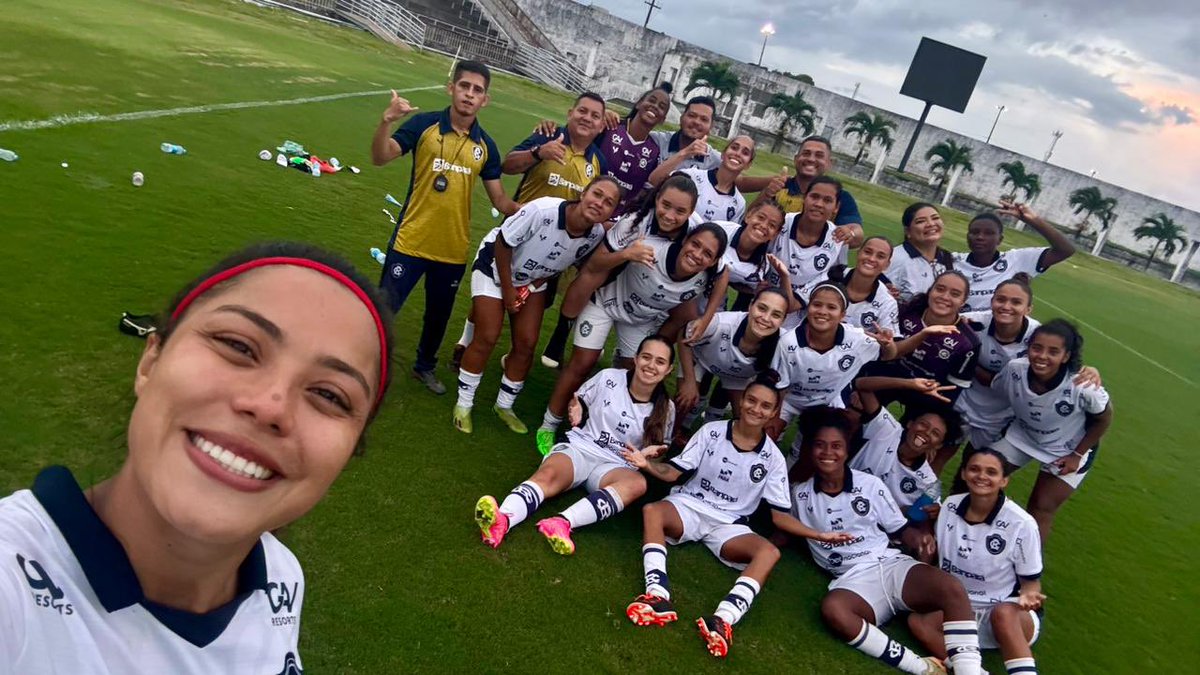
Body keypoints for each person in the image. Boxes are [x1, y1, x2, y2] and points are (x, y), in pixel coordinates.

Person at [0, 243, 394, 672]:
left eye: (328, 395)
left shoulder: (281, 578)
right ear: (151, 361)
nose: (270, 406)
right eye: (239, 346)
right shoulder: (13, 592)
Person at [620, 378, 852, 658]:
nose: (756, 409)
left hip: (729, 525)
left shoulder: (774, 459)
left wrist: (819, 535)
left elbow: (779, 516)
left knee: (769, 552)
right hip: (691, 506)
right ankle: (658, 595)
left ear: (774, 413)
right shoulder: (711, 432)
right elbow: (675, 472)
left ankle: (723, 619)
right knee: (652, 511)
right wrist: (647, 465)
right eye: (752, 400)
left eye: (766, 406)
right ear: (741, 400)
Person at [791, 409, 985, 675]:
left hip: (890, 562)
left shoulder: (870, 484)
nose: (828, 453)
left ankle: (970, 672)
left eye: (836, 446)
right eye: (820, 445)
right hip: (853, 578)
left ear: (847, 450)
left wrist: (920, 539)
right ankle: (922, 668)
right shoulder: (799, 495)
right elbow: (784, 527)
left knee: (950, 587)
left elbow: (903, 528)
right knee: (835, 610)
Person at [371, 60, 520, 394]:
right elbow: (380, 157)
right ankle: (365, 361)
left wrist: (535, 211)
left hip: (452, 248)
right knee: (384, 307)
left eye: (477, 90)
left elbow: (501, 201)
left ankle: (424, 367)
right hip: (410, 240)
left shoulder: (486, 147)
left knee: (437, 317)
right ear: (451, 88)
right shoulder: (424, 126)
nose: (469, 94)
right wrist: (386, 122)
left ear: (486, 100)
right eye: (464, 86)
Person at [536, 224, 730, 456]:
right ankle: (549, 424)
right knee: (582, 363)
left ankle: (603, 425)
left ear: (713, 261)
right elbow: (604, 254)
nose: (698, 254)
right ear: (685, 240)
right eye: (695, 244)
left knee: (635, 372)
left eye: (707, 253)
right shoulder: (652, 249)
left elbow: (724, 275)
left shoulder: (707, 274)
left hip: (640, 320)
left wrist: (706, 318)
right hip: (606, 303)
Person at [473, 336, 676, 554]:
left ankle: (562, 523)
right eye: (646, 357)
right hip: (582, 448)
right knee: (547, 476)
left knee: (638, 484)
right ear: (635, 359)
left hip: (615, 467)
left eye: (659, 361)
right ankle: (502, 519)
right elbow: (578, 400)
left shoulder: (667, 409)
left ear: (668, 370)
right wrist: (576, 407)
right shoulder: (608, 377)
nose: (651, 365)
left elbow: (657, 454)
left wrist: (645, 461)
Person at [453, 178, 621, 435]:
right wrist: (509, 290)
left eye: (609, 202)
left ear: (612, 212)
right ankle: (463, 404)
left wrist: (530, 287)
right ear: (583, 192)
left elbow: (559, 262)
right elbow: (503, 243)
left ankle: (504, 406)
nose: (600, 203)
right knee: (487, 335)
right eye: (597, 194)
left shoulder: (595, 235)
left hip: (531, 279)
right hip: (495, 266)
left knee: (527, 343)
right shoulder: (543, 210)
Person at [539, 174, 702, 369]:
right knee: (593, 274)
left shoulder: (696, 231)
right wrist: (627, 255)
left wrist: (707, 315)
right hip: (623, 261)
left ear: (691, 212)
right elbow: (595, 264)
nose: (669, 215)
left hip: (653, 282)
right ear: (657, 198)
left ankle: (651, 350)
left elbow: (721, 270)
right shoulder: (635, 221)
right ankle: (561, 333)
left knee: (688, 312)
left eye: (680, 211)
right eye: (665, 205)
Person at [907, 449, 1046, 675]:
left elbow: (1031, 582)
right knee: (918, 622)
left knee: (1002, 613)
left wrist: (1029, 596)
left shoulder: (1022, 523)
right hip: (959, 610)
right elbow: (937, 558)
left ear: (1004, 480)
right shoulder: (950, 507)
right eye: (974, 469)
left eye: (991, 472)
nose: (981, 476)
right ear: (963, 474)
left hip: (1007, 617)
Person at [988, 319, 1114, 541]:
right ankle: (966, 533)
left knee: (1041, 506)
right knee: (983, 473)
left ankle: (1027, 570)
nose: (1042, 356)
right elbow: (996, 387)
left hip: (1068, 449)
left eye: (1053, 351)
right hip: (1023, 435)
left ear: (1066, 356)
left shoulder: (1083, 385)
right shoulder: (1016, 368)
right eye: (1037, 348)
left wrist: (1076, 455)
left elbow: (1105, 418)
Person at [675, 287, 797, 423]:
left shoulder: (785, 343)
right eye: (762, 308)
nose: (766, 318)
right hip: (700, 361)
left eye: (776, 315)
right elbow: (685, 334)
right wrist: (690, 381)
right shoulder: (721, 323)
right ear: (751, 306)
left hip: (738, 377)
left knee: (747, 418)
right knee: (685, 400)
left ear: (783, 320)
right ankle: (673, 435)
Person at [850, 376, 960, 519]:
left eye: (935, 433)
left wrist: (932, 512)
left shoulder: (928, 482)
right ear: (910, 423)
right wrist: (909, 384)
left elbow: (919, 516)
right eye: (923, 425)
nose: (926, 433)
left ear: (938, 444)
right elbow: (862, 385)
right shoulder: (887, 429)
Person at [765, 176, 864, 329]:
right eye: (814, 197)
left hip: (798, 321)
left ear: (836, 207)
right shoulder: (782, 223)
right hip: (762, 303)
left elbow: (791, 305)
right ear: (805, 198)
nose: (818, 204)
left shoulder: (837, 241)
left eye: (827, 200)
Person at [953, 202, 1075, 312]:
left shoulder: (1016, 260)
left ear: (1000, 240)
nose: (980, 237)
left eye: (989, 233)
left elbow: (1065, 250)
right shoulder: (953, 261)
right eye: (974, 232)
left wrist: (1033, 220)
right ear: (967, 236)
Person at [503, 92, 609, 203]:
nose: (587, 118)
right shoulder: (548, 135)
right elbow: (507, 167)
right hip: (526, 219)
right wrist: (538, 153)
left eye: (595, 116)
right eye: (582, 111)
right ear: (570, 114)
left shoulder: (599, 162)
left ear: (601, 127)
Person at [741, 136, 865, 229]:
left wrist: (849, 233)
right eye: (806, 153)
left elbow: (856, 233)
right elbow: (748, 220)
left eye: (819, 156)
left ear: (829, 163)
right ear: (796, 159)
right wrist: (766, 194)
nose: (811, 159)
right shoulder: (779, 187)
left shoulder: (840, 197)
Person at [597, 83, 671, 215]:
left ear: (663, 119)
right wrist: (601, 114)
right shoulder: (610, 126)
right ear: (638, 104)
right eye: (651, 100)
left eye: (661, 107)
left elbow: (644, 191)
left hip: (616, 221)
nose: (654, 106)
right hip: (591, 203)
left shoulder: (654, 152)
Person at [800, 236, 899, 332]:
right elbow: (796, 302)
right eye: (867, 252)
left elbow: (892, 346)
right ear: (858, 253)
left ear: (887, 265)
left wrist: (887, 344)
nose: (872, 259)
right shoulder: (832, 275)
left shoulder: (887, 302)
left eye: (880, 256)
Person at [666, 135, 755, 224]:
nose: (737, 154)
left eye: (745, 153)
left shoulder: (739, 203)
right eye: (734, 148)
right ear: (723, 154)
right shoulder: (692, 176)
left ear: (748, 164)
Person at [889, 203, 955, 303]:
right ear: (908, 231)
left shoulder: (949, 259)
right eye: (921, 221)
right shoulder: (894, 258)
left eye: (935, 218)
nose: (931, 224)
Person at [648, 95, 723, 174]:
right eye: (692, 115)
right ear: (681, 117)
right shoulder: (656, 140)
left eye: (704, 119)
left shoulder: (716, 161)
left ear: (711, 126)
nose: (696, 122)